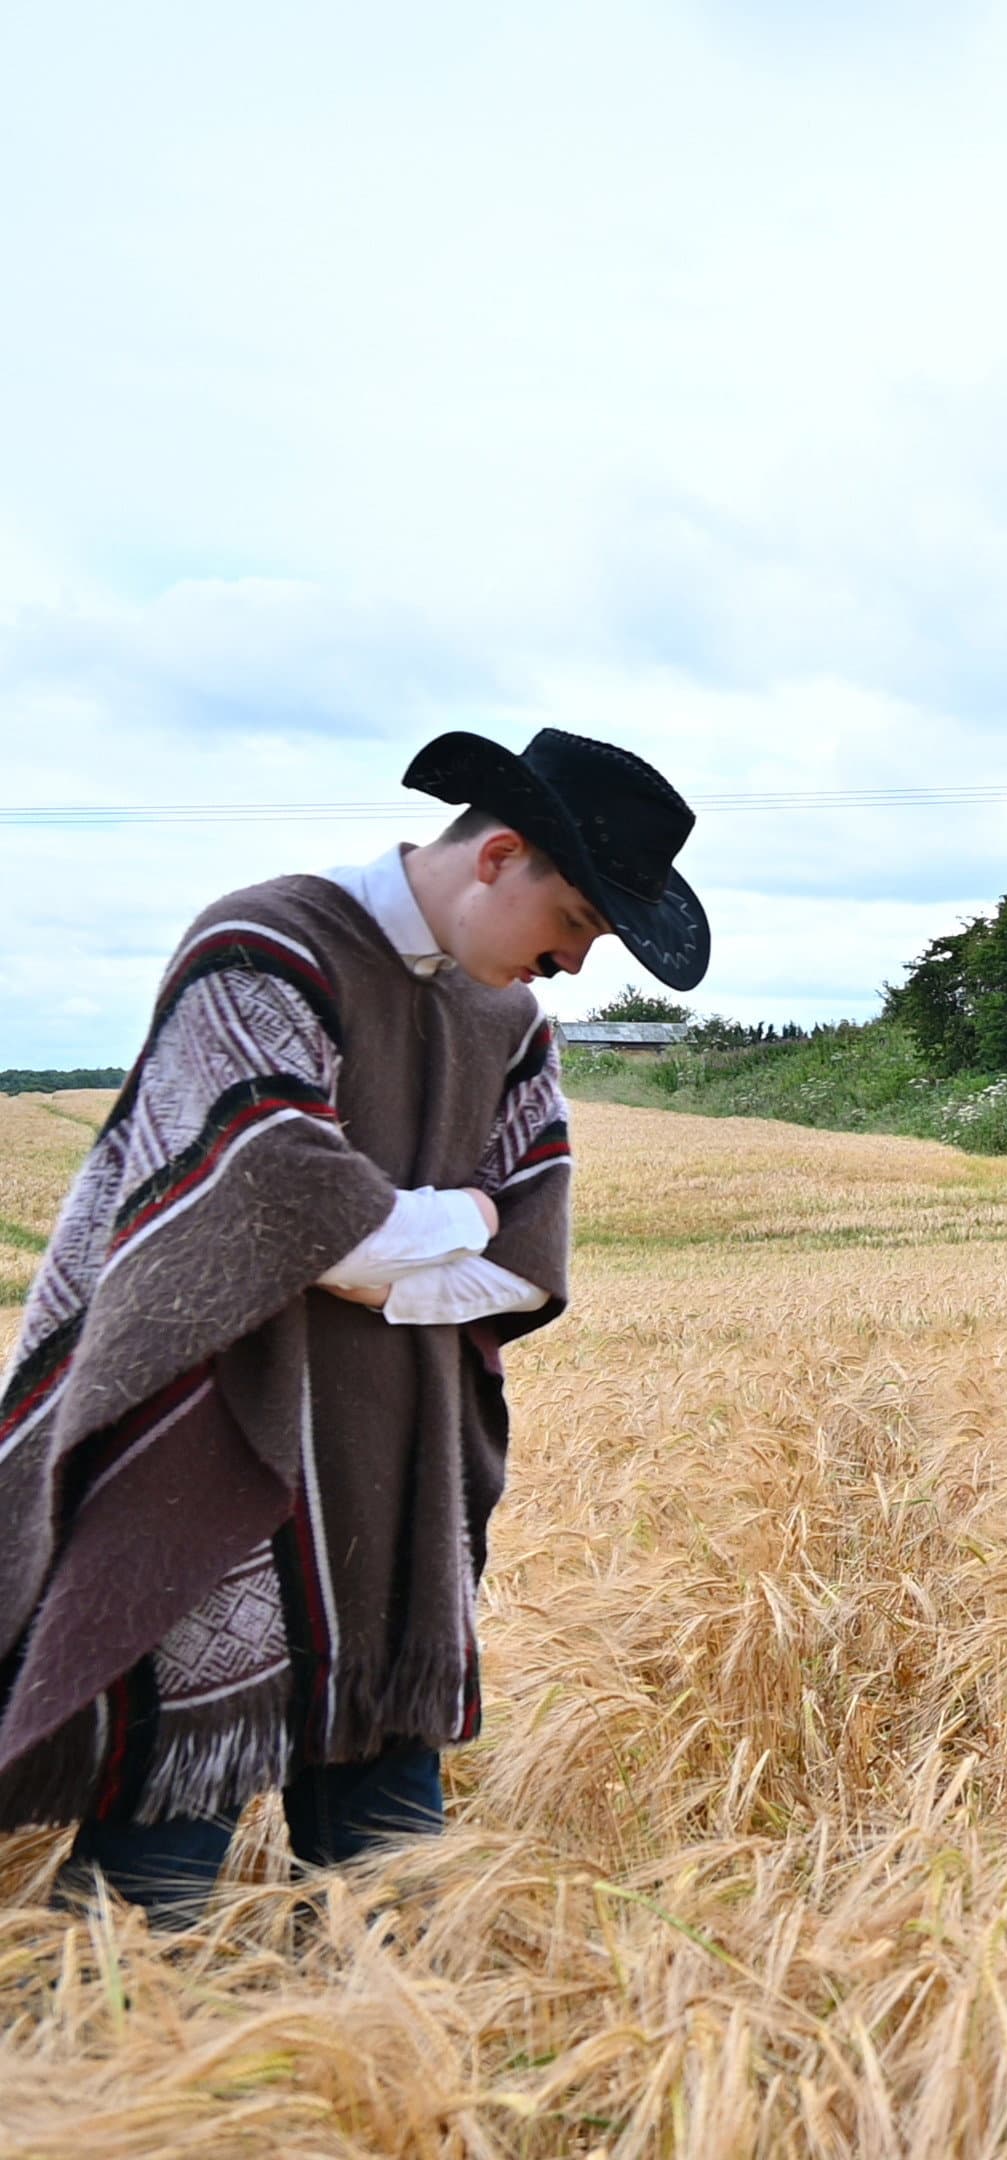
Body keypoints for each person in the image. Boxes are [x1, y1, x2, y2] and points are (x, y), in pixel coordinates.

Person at [0, 729, 709, 1926]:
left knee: (396, 1887)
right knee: (153, 1880)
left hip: (399, 1471)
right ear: (497, 856)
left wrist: (391, 1257)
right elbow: (285, 1203)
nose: (579, 965)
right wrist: (445, 1221)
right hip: (212, 1442)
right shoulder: (264, 950)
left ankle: (379, 2101)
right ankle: (91, 2097)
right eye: (581, 920)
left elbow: (528, 1259)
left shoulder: (512, 1023)